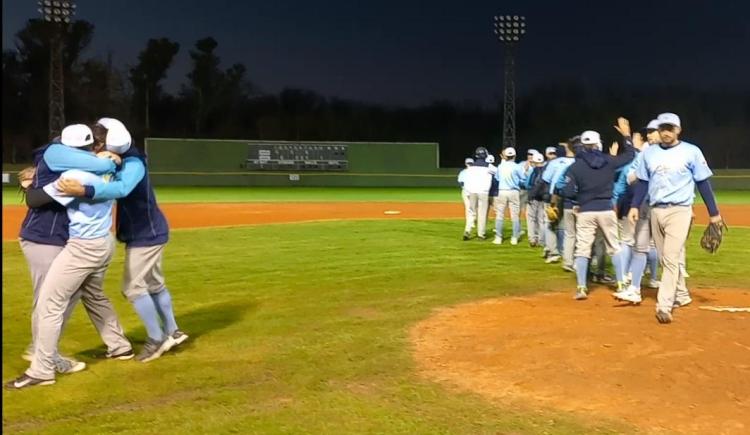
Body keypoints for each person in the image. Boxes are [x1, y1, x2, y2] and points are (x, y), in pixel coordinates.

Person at [6, 124, 132, 389]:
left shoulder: (76, 174)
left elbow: (35, 199)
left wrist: (31, 184)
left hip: (78, 245)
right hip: (81, 241)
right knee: (85, 295)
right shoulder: (103, 167)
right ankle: (118, 346)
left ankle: (43, 365)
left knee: (51, 304)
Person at [56, 118, 189, 356]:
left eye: (99, 143)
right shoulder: (122, 159)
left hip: (146, 234)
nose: (95, 148)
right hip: (147, 230)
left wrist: (85, 190)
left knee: (133, 287)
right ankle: (173, 331)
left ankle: (156, 339)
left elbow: (121, 189)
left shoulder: (134, 163)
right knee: (155, 284)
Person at [628, 112, 723, 323]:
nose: (666, 132)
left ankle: (664, 306)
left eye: (670, 128)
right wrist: (635, 206)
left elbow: (703, 183)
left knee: (670, 258)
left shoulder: (690, 152)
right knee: (665, 260)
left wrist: (714, 213)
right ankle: (681, 294)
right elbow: (643, 182)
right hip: (655, 210)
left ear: (678, 130)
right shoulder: (649, 153)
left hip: (680, 211)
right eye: (663, 128)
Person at [561, 128, 634, 300]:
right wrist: (626, 136)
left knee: (583, 249)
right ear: (598, 144)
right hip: (606, 209)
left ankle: (581, 287)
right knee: (614, 247)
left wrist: (580, 197)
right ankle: (621, 283)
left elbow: (568, 191)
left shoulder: (575, 167)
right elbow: (630, 156)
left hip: (586, 211)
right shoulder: (609, 161)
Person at [492, 147, 526, 245]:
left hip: (502, 191)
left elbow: (497, 178)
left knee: (499, 215)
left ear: (505, 156)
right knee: (514, 216)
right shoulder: (517, 166)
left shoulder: (500, 166)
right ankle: (514, 238)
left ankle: (498, 237)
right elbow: (523, 179)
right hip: (514, 191)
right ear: (514, 156)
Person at [461, 147, 495, 240]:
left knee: (471, 212)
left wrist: (468, 192)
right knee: (482, 213)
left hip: (472, 191)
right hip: (483, 192)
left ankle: (467, 230)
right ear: (485, 155)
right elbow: (497, 174)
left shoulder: (471, 168)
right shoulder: (489, 167)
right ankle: (481, 234)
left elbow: (467, 181)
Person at [525, 152, 546, 247]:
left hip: (533, 197)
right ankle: (541, 240)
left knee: (531, 219)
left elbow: (527, 184)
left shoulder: (533, 171)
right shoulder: (546, 171)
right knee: (541, 219)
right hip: (543, 198)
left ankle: (532, 239)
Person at [458, 157, 475, 237]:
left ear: (466, 163)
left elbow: (461, 183)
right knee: (476, 208)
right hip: (475, 191)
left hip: (466, 192)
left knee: (468, 209)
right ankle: (473, 222)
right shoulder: (476, 172)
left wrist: (465, 188)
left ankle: (470, 224)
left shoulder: (463, 172)